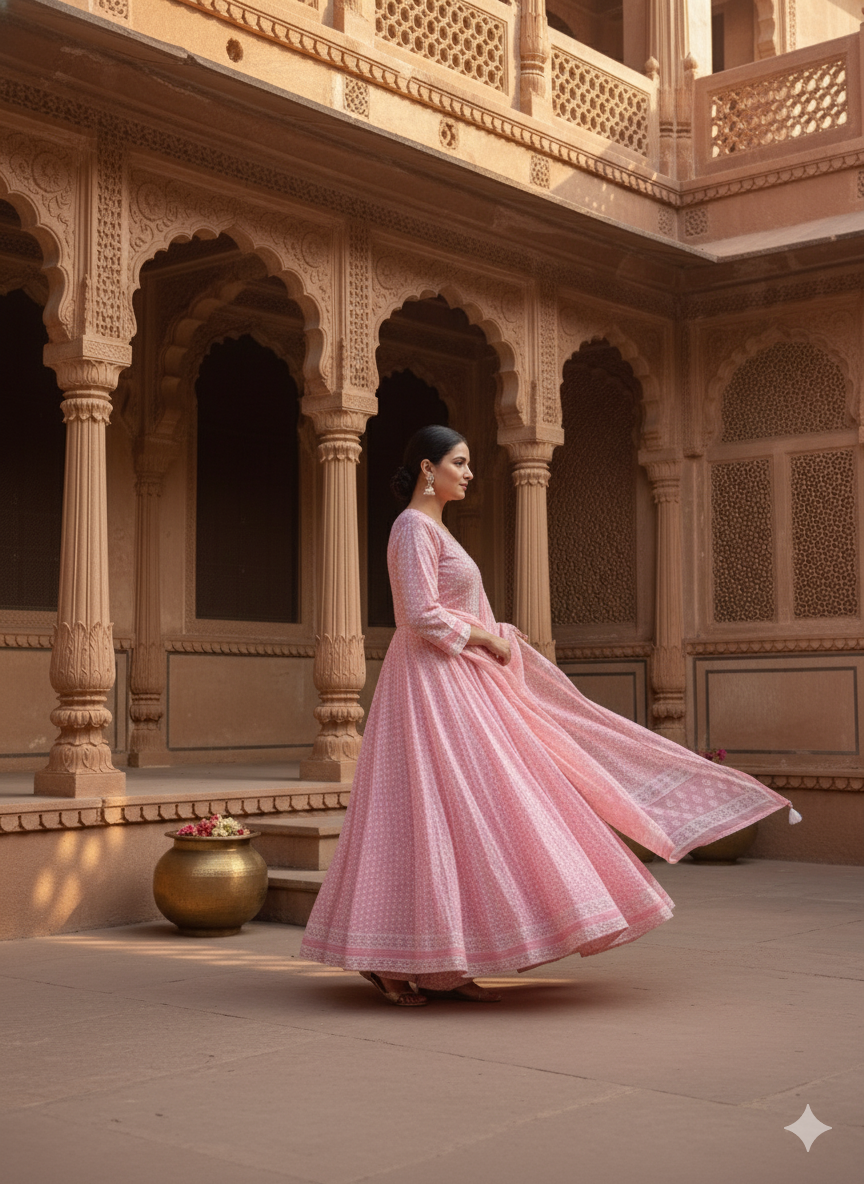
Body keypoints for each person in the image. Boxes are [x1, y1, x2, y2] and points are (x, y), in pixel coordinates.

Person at [299, 425, 800, 1007]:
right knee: (435, 811)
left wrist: (494, 637)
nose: (469, 473)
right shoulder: (412, 527)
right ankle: (390, 961)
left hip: (456, 678)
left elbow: (449, 609)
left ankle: (445, 966)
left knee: (468, 811)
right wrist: (489, 638)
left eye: (469, 462)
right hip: (430, 685)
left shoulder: (436, 529)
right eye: (459, 462)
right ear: (427, 470)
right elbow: (419, 615)